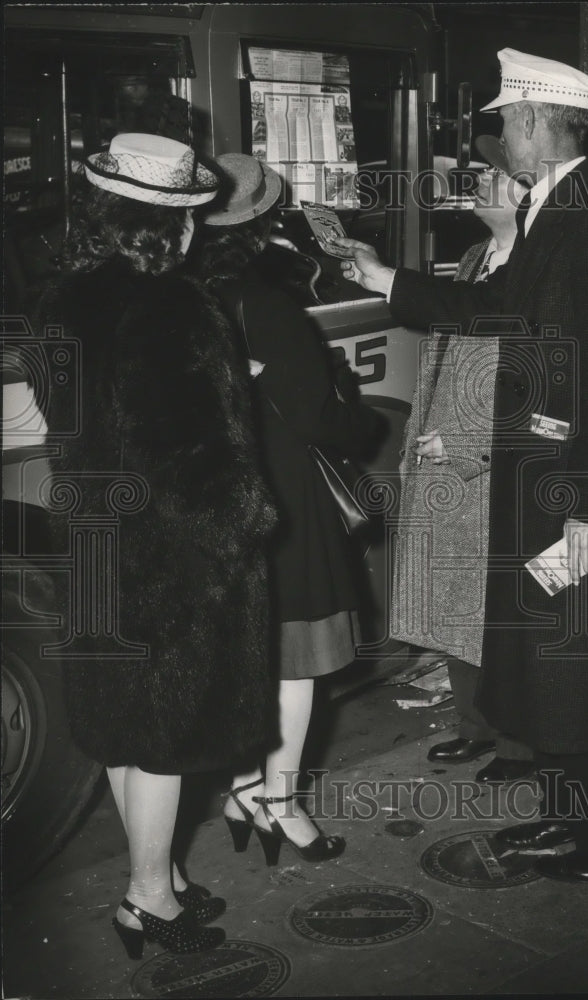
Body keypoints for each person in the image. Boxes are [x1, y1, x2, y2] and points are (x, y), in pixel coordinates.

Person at [335, 48, 588, 884]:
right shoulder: (556, 207)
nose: (496, 142)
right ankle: (571, 818)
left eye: (504, 124)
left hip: (575, 488)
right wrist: (387, 279)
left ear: (531, 123)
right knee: (554, 667)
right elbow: (498, 309)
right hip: (540, 476)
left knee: (586, 670)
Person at [35, 133, 277, 956]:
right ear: (170, 226)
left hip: (97, 535)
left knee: (119, 722)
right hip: (172, 550)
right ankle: (147, 898)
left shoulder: (64, 301)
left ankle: (161, 874)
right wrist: (245, 525)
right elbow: (198, 452)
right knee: (171, 728)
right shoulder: (179, 307)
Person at [194, 154, 382, 864]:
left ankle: (242, 787)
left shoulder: (177, 295)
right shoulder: (267, 305)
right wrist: (359, 422)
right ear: (264, 223)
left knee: (242, 652)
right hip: (282, 500)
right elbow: (321, 418)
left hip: (213, 496)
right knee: (295, 661)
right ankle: (280, 802)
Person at [395, 140, 532, 784]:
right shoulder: (479, 256)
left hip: (496, 462)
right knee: (456, 602)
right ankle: (475, 726)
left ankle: (518, 743)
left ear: (527, 193)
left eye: (493, 175)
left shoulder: (540, 265)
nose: (478, 182)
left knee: (503, 609)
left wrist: (471, 440)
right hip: (446, 454)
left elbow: (538, 381)